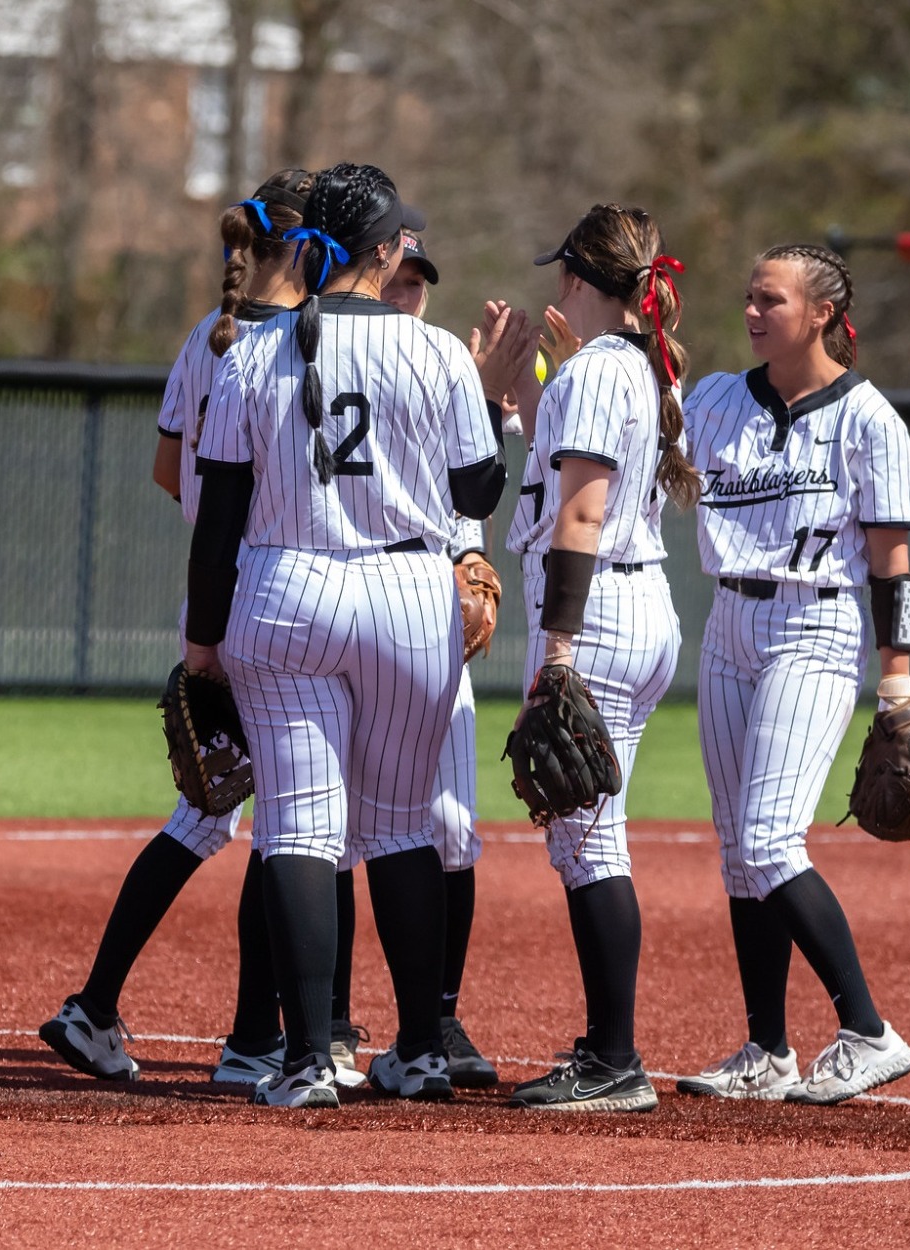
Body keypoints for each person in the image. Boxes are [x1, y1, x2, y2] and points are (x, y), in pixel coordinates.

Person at [186, 162, 527, 1108]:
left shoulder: (254, 352)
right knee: (401, 829)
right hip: (407, 599)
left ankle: (304, 1061)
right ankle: (419, 1047)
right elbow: (472, 496)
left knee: (298, 828)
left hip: (284, 593)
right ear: (387, 253)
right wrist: (495, 409)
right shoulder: (434, 355)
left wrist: (199, 647)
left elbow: (218, 523)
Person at [38, 169, 314, 1088]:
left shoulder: (211, 332)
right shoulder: (302, 344)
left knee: (205, 816)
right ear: (311, 247)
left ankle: (97, 1005)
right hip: (276, 595)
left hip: (212, 591)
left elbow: (168, 472)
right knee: (286, 827)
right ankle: (250, 1039)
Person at [674, 242, 910, 1106]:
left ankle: (867, 1030)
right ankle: (767, 1050)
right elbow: (640, 438)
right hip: (728, 625)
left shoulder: (868, 419)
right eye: (747, 296)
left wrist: (897, 683)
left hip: (815, 624)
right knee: (740, 854)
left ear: (820, 314)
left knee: (773, 837)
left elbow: (892, 566)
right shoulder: (713, 401)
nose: (751, 311)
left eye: (769, 299)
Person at [501, 204, 696, 1112]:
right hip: (641, 599)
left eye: (562, 274)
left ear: (582, 277)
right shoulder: (640, 368)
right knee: (594, 837)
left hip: (599, 611)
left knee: (588, 844)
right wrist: (525, 401)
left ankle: (614, 1060)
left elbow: (579, 517)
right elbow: (582, 478)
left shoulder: (593, 373)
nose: (555, 290)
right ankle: (609, 1051)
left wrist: (557, 655)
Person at [375, 227, 499, 1088]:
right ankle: (333, 1019)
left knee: (451, 828)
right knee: (335, 830)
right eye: (397, 281)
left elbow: (472, 511)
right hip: (358, 611)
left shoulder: (446, 371)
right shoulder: (339, 364)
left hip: (428, 622)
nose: (409, 296)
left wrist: (471, 570)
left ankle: (440, 1017)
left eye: (420, 284)